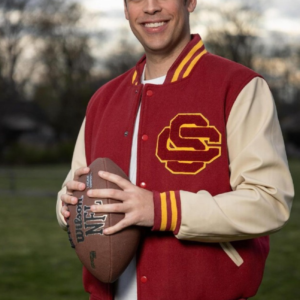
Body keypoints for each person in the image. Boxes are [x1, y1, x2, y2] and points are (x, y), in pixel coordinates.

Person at [56, 0, 294, 299]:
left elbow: (270, 203)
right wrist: (65, 204)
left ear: (190, 2)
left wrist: (160, 210)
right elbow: (72, 185)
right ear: (126, 9)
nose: (151, 8)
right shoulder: (102, 100)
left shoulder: (239, 86)